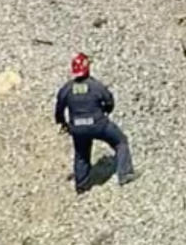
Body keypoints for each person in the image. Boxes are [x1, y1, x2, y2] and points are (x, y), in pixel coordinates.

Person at [54, 53, 138, 194]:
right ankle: (125, 174)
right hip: (99, 124)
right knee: (120, 141)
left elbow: (59, 109)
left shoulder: (67, 89)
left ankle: (81, 185)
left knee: (81, 154)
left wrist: (63, 123)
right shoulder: (95, 85)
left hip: (77, 127)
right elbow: (109, 100)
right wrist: (105, 111)